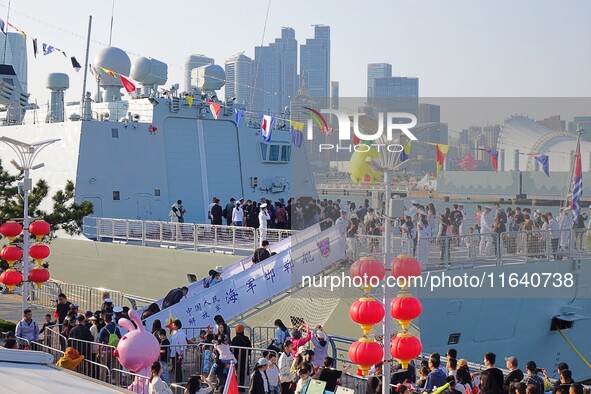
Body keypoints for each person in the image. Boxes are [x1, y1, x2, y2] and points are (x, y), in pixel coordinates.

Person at [231, 324, 252, 389]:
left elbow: (232, 349)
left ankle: (236, 386)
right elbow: (250, 348)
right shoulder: (246, 338)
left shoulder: (234, 339)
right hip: (244, 358)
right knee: (243, 372)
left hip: (236, 358)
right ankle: (242, 386)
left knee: (236, 372)